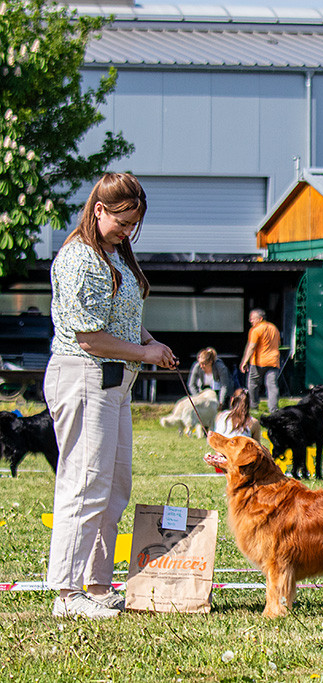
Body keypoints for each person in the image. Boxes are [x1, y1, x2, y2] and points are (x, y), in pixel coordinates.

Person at [44, 172, 177, 619]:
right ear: (98, 209)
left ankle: (98, 585)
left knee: (113, 486)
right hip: (84, 374)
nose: (128, 231)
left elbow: (121, 319)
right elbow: (89, 337)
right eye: (122, 221)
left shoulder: (114, 255)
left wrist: (151, 346)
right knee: (85, 483)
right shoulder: (80, 258)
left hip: (116, 379)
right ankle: (66, 592)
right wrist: (144, 351)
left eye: (133, 224)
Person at [240, 308, 281, 413]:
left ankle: (253, 406)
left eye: (253, 319)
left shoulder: (255, 330)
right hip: (273, 361)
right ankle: (273, 409)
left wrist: (244, 361)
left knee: (253, 384)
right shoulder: (274, 328)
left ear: (260, 318)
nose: (251, 321)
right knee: (272, 386)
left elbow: (251, 347)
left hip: (258, 362)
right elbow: (279, 344)